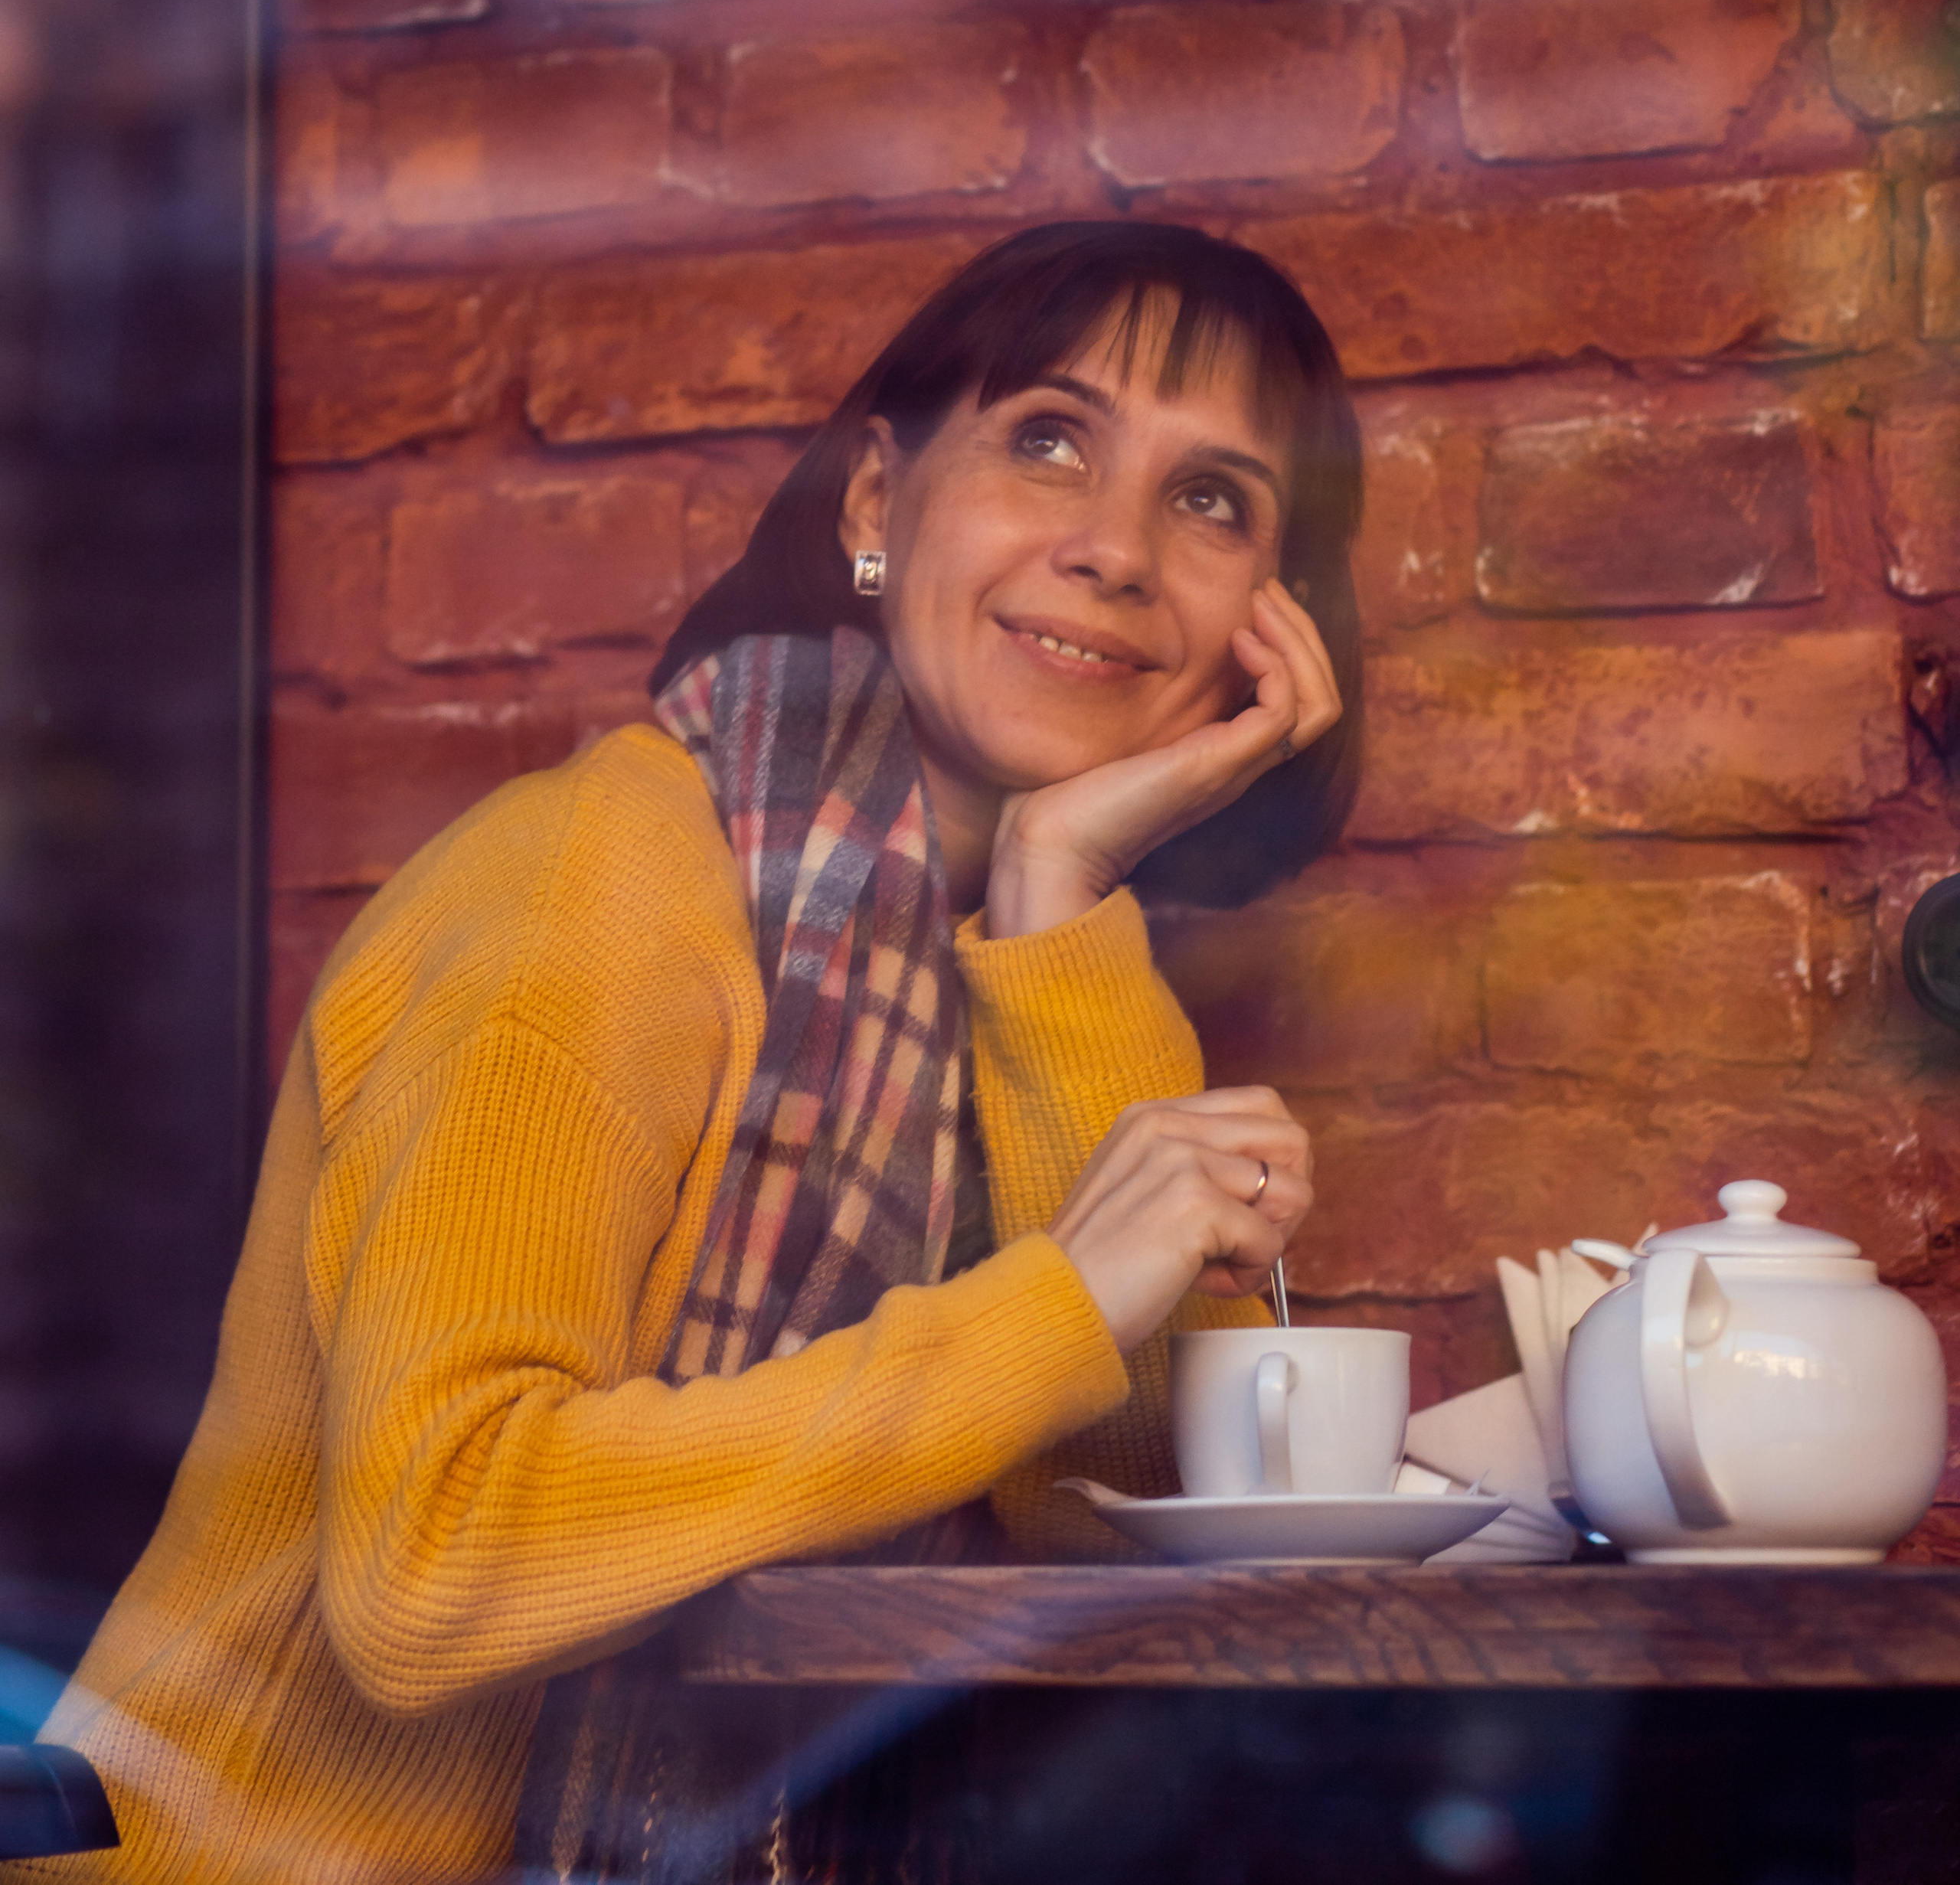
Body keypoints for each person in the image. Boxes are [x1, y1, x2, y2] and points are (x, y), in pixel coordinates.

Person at [34, 218, 1364, 1885]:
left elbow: (1131, 1543)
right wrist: (1054, 1304)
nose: (1116, 547)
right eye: (1047, 440)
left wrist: (1055, 895)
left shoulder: (1028, 972)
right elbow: (431, 1568)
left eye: (1213, 499)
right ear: (874, 505)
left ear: (1265, 625)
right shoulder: (594, 882)